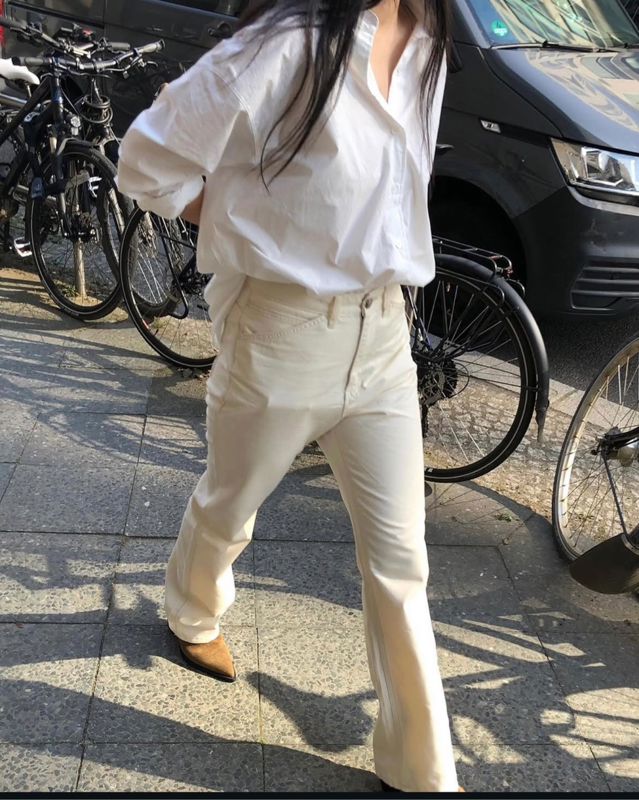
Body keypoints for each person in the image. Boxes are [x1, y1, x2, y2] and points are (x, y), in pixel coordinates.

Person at [117, 0, 463, 792]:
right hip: (279, 331)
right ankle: (191, 610)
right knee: (231, 501)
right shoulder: (286, 45)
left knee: (401, 562)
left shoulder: (428, 41)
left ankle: (421, 773)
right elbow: (146, 162)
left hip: (384, 335)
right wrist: (250, 222)